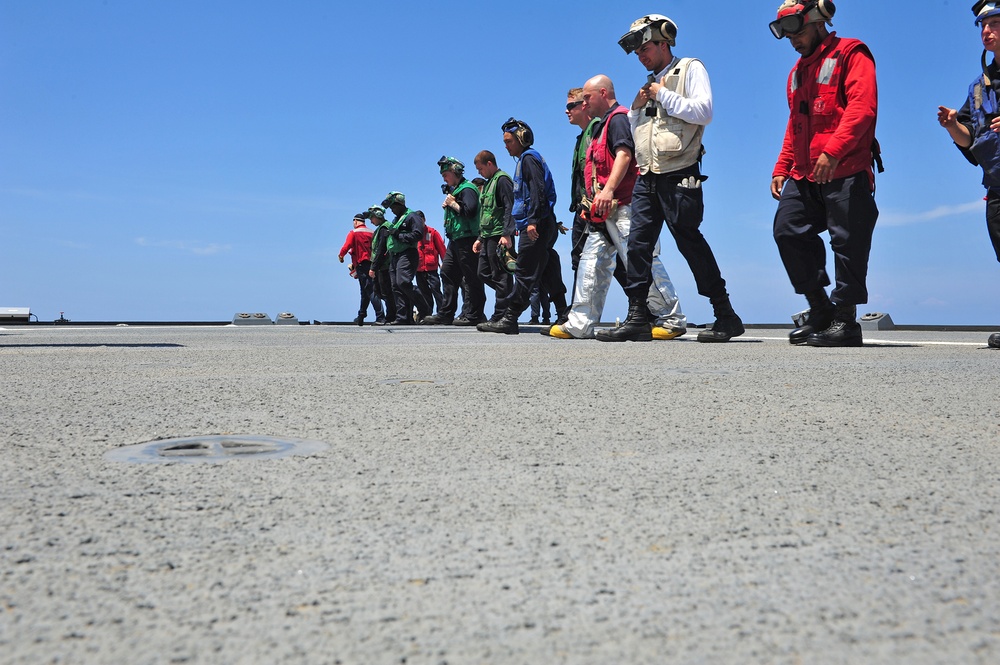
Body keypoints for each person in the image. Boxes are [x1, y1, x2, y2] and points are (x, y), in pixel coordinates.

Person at [598, 14, 744, 343]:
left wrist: (662, 95)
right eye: (636, 51)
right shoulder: (649, 85)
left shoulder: (690, 69)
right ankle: (638, 315)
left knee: (689, 241)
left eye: (645, 47)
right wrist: (637, 109)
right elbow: (640, 133)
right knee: (637, 246)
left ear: (664, 42)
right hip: (648, 176)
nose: (640, 55)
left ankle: (725, 314)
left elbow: (704, 112)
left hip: (680, 172)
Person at [769, 0, 880, 347]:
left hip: (845, 169)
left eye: (798, 31)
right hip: (803, 174)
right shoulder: (797, 72)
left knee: (847, 241)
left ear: (819, 22)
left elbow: (863, 108)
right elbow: (795, 124)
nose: (793, 41)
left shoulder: (851, 53)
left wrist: (833, 151)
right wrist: (781, 166)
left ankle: (846, 321)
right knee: (787, 230)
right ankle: (820, 309)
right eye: (786, 35)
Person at [547, 75, 686, 341]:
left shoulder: (619, 119)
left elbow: (624, 154)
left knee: (641, 260)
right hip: (602, 211)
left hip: (623, 206)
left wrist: (609, 190)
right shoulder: (600, 127)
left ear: (602, 93)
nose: (584, 102)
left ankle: (671, 318)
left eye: (587, 97)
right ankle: (580, 322)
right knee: (592, 263)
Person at [938, 0, 1000, 349]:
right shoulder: (979, 87)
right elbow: (971, 140)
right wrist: (951, 126)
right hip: (997, 185)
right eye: (981, 25)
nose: (986, 31)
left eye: (993, 23)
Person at [478, 118, 565, 334]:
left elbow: (537, 190)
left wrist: (533, 220)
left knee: (525, 270)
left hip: (535, 224)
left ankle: (510, 318)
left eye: (508, 141)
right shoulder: (527, 159)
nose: (505, 146)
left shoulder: (528, 159)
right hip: (543, 223)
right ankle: (563, 313)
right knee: (546, 266)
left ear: (520, 139)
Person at [421, 157, 487, 326]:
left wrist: (453, 204)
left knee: (472, 278)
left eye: (446, 173)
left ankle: (475, 314)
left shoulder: (468, 189)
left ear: (455, 171)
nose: (443, 177)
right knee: (447, 273)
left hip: (468, 239)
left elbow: (470, 211)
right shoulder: (457, 190)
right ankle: (446, 313)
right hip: (455, 240)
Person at [472, 150, 516, 322]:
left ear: (489, 164)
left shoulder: (502, 180)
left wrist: (507, 234)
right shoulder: (489, 183)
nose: (479, 172)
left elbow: (509, 207)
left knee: (501, 275)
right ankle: (510, 296)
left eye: (480, 168)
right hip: (488, 235)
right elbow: (486, 213)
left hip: (499, 235)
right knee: (483, 273)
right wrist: (480, 238)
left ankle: (501, 314)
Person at [381, 192, 431, 325]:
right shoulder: (397, 219)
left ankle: (424, 308)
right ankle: (403, 317)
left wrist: (398, 235)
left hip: (407, 253)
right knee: (396, 286)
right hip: (395, 256)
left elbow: (418, 234)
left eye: (393, 206)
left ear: (399, 204)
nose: (391, 210)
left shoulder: (412, 217)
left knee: (403, 282)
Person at [566, 87, 601, 278]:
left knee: (583, 257)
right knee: (579, 258)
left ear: (584, 106)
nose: (567, 111)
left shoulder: (596, 129)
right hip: (584, 208)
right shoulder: (582, 137)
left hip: (594, 207)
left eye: (571, 106)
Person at [339, 212, 384, 325]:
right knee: (365, 292)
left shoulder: (353, 233)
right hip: (374, 264)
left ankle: (380, 317)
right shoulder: (372, 232)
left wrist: (341, 256)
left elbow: (347, 246)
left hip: (362, 265)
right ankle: (361, 316)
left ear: (355, 221)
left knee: (370, 291)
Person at [367, 205, 396, 325]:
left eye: (372, 217)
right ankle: (391, 315)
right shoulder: (381, 228)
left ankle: (390, 317)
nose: (370, 220)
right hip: (382, 265)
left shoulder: (384, 229)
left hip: (384, 266)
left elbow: (381, 249)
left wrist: (373, 267)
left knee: (387, 292)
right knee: (380, 291)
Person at [417, 219, 447, 315]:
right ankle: (426, 315)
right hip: (419, 269)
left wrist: (445, 265)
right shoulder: (413, 234)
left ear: (424, 220)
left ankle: (442, 314)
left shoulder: (432, 232)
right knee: (424, 293)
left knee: (436, 292)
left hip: (431, 269)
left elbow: (442, 249)